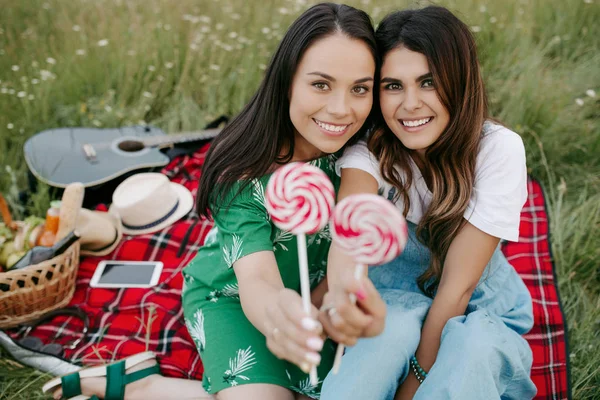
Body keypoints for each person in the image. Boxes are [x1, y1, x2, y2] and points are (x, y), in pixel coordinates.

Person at [44, 3, 387, 400]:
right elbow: (257, 281)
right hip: (236, 297)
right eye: (321, 85)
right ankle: (145, 388)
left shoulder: (362, 152)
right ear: (286, 81)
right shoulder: (243, 171)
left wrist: (332, 300)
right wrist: (280, 316)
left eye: (359, 88)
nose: (341, 109)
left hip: (320, 292)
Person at [319, 6, 537, 400]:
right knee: (384, 342)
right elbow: (348, 240)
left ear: (460, 81)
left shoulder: (497, 149)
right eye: (393, 85)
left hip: (476, 308)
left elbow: (458, 287)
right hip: (392, 301)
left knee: (471, 353)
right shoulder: (371, 151)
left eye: (428, 82)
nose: (410, 104)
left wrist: (414, 383)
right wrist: (341, 291)